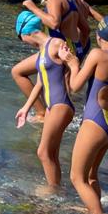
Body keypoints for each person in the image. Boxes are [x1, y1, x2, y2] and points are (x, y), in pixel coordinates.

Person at [69, 15, 108, 214]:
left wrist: (72, 63)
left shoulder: (97, 54)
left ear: (99, 35)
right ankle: (93, 206)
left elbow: (74, 86)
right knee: (92, 174)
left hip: (95, 121)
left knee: (76, 177)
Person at [15, 10, 79, 189]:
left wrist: (73, 66)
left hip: (61, 104)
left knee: (43, 152)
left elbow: (74, 71)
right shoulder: (43, 50)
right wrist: (26, 107)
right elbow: (40, 83)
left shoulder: (56, 43)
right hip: (53, 106)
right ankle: (56, 186)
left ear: (26, 32)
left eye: (22, 38)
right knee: (52, 152)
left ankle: (52, 191)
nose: (24, 43)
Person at [14, 0, 88, 121]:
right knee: (58, 89)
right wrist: (79, 50)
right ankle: (55, 118)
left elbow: (53, 22)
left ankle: (42, 114)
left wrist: (32, 7)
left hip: (60, 49)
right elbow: (86, 29)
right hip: (74, 48)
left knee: (18, 72)